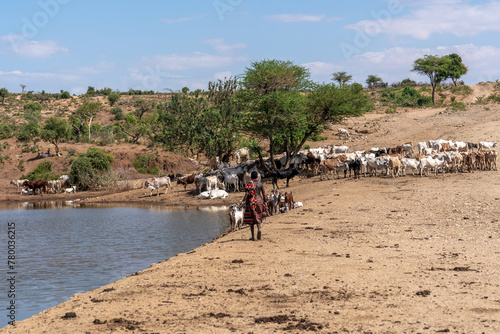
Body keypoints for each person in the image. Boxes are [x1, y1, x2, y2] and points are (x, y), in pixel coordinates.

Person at [241, 171, 267, 241]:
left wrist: (243, 201)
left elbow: (246, 194)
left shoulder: (249, 184)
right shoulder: (260, 183)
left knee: (251, 217)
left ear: (251, 177)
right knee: (258, 215)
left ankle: (253, 236)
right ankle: (259, 228)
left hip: (252, 201)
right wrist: (265, 202)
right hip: (259, 200)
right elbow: (264, 194)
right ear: (257, 177)